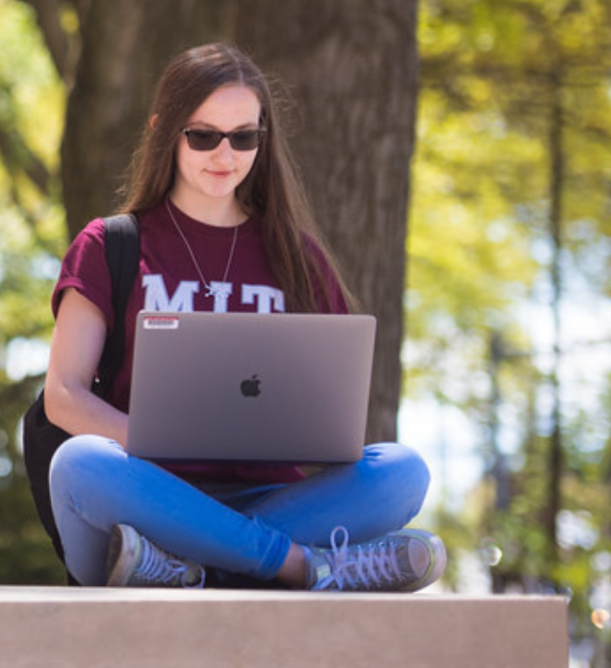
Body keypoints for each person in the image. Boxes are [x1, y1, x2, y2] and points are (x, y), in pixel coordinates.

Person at [42, 42, 446, 591]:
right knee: (80, 464)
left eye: (244, 137)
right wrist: (156, 441)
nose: (224, 155)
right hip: (145, 497)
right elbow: (63, 395)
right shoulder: (110, 245)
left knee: (402, 472)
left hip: (269, 499)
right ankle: (299, 566)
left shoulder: (297, 256)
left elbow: (333, 412)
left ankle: (186, 568)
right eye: (203, 135)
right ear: (166, 130)